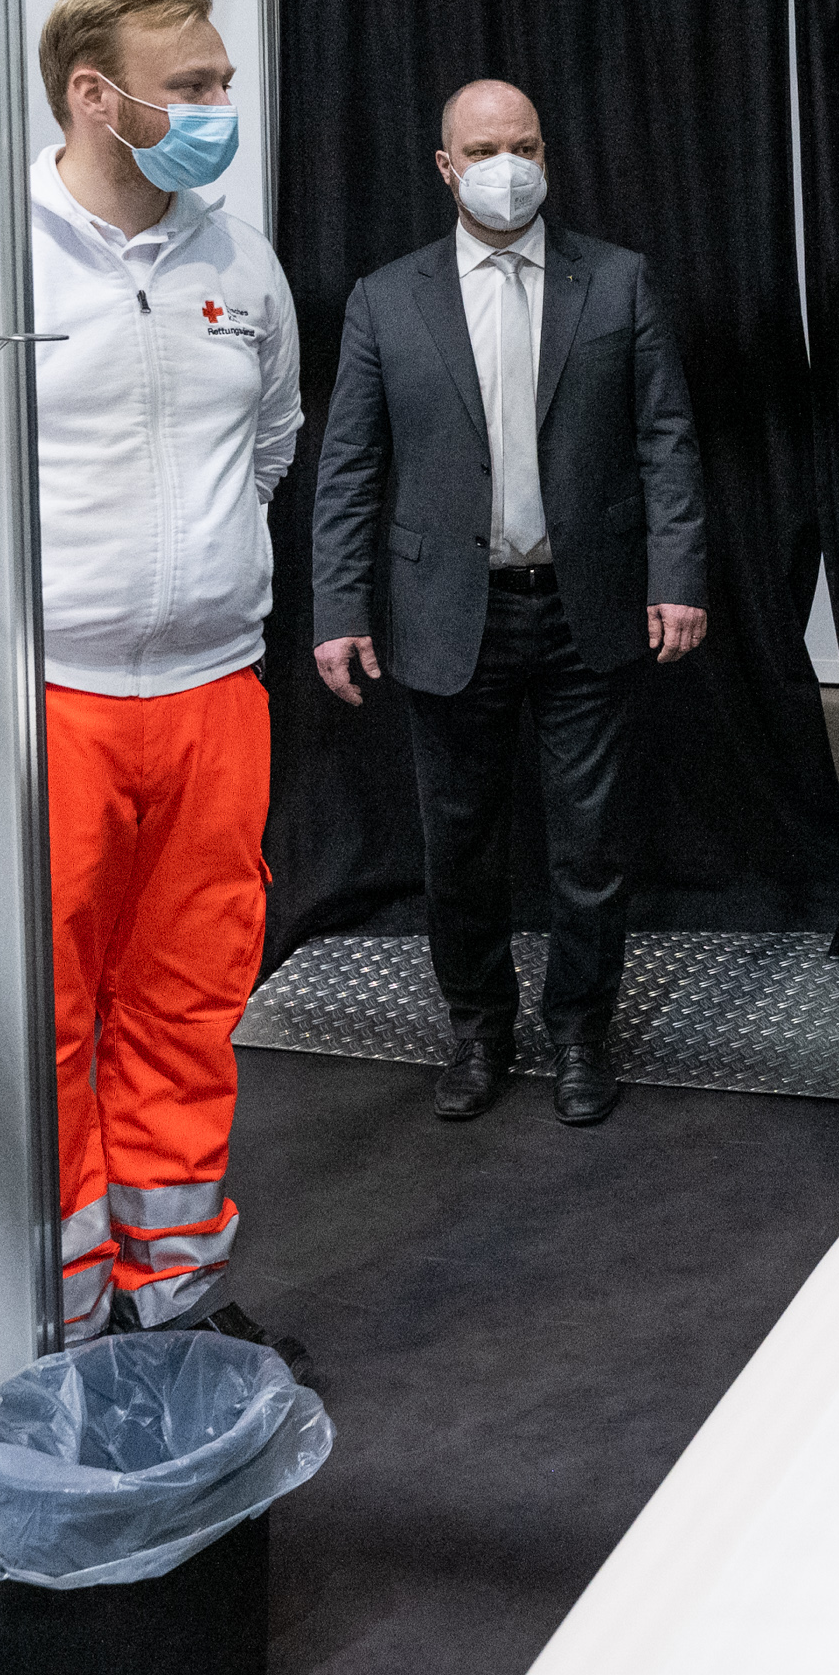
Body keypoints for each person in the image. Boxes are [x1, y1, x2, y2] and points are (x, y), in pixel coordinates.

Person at [310, 80, 709, 1126]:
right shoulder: (386, 298)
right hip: (447, 611)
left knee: (591, 846)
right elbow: (348, 467)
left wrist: (677, 577)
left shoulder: (616, 280)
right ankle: (478, 1030)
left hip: (588, 605)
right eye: (484, 149)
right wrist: (339, 607)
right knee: (459, 846)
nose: (507, 166)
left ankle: (580, 1034)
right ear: (446, 166)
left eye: (524, 145)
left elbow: (666, 441)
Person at [29, 0, 299, 1342]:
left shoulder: (240, 261)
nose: (218, 106)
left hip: (213, 694)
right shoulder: (3, 258)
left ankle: (176, 1294)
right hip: (56, 701)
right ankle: (66, 1316)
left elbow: (271, 443)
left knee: (190, 1003)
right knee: (52, 1011)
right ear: (95, 94)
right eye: (190, 86)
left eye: (220, 82)